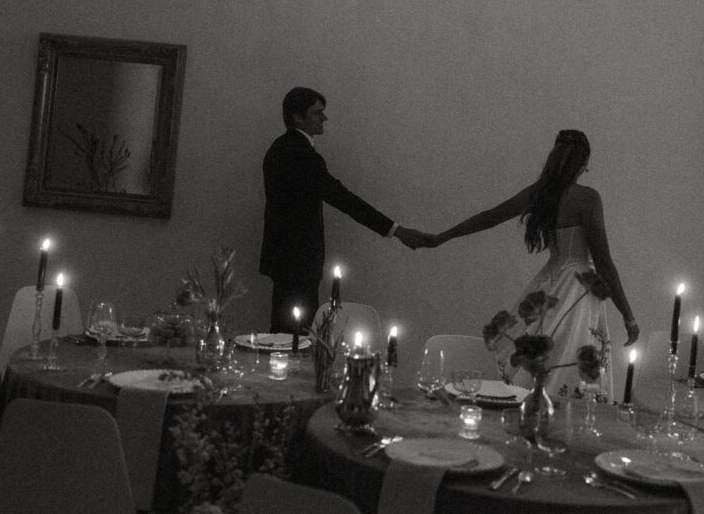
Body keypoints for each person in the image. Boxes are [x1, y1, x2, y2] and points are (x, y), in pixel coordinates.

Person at [430, 129, 638, 394]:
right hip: (579, 291)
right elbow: (604, 261)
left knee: (541, 363)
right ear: (583, 163)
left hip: (549, 283)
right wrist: (629, 317)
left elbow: (490, 216)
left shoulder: (540, 193)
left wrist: (442, 236)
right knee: (569, 365)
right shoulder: (587, 198)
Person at [259, 87, 429, 333]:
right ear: (298, 117)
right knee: (298, 336)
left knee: (286, 331)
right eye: (317, 113)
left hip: (286, 259)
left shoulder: (280, 148)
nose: (324, 118)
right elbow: (342, 198)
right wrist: (397, 230)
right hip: (299, 260)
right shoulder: (300, 154)